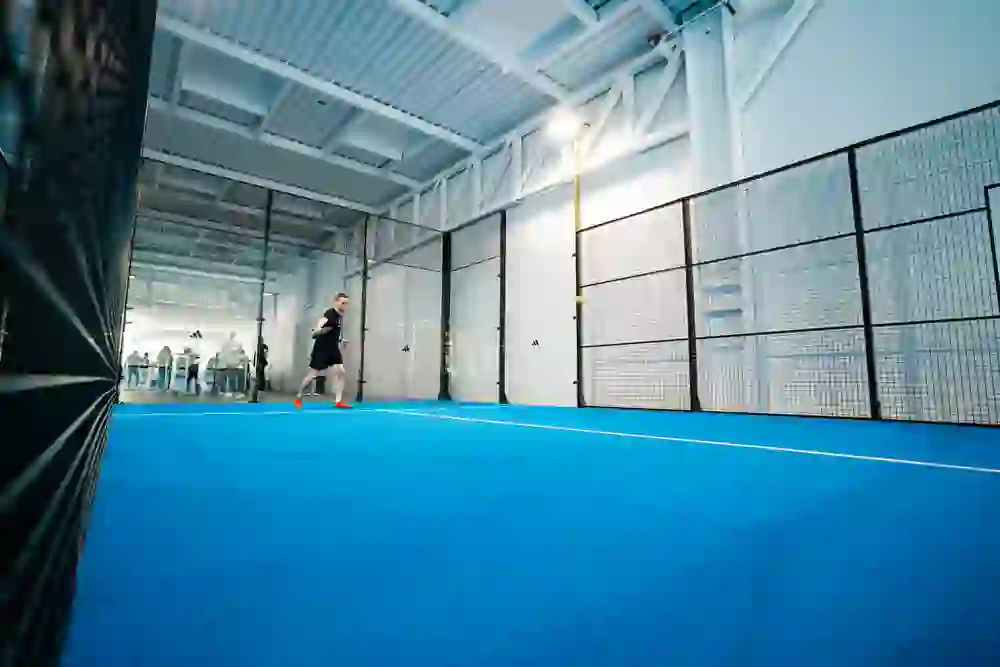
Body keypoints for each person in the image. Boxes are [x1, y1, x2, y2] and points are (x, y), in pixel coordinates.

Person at [295, 293, 352, 409]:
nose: (345, 305)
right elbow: (321, 324)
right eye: (343, 303)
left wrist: (341, 340)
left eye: (346, 303)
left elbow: (333, 332)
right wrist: (317, 330)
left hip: (333, 348)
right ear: (336, 302)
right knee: (313, 375)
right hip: (322, 348)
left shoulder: (340, 316)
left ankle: (338, 401)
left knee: (341, 372)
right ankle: (299, 397)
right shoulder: (330, 313)